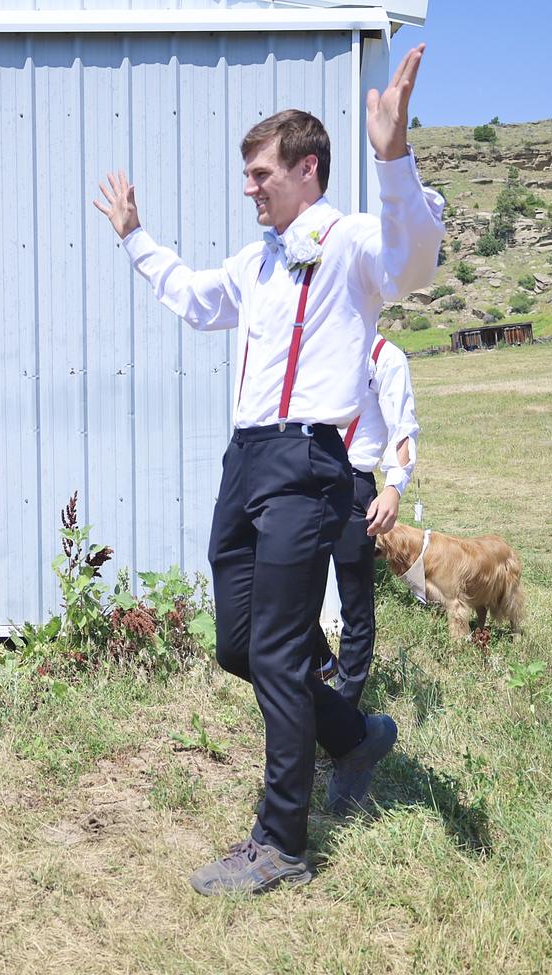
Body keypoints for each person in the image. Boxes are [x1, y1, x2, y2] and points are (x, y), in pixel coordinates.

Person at [93, 45, 444, 894]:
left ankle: (282, 842)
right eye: (248, 173)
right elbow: (193, 298)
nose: (248, 186)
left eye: (260, 172)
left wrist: (393, 158)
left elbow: (413, 263)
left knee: (282, 652)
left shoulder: (350, 239)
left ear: (305, 168)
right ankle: (354, 737)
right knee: (240, 646)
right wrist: (135, 238)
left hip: (308, 461)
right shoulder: (256, 261)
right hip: (245, 460)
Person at [313, 333, 420, 706]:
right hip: (306, 480)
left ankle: (345, 705)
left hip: (353, 485)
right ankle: (322, 662)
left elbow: (403, 427)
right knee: (287, 588)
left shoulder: (384, 356)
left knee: (355, 603)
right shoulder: (318, 344)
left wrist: (393, 488)